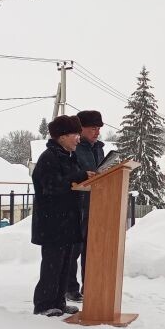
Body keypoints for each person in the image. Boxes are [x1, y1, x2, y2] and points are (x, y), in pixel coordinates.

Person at [32, 115, 95, 317]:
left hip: (68, 221)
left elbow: (72, 182)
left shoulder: (68, 156)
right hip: (53, 222)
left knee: (65, 264)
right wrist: (79, 176)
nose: (78, 138)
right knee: (52, 265)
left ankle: (58, 301)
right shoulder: (48, 158)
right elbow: (52, 186)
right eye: (74, 134)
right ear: (61, 137)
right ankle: (43, 304)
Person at [65, 110, 106, 303]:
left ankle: (90, 285)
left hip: (96, 204)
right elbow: (74, 173)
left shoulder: (98, 148)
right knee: (74, 248)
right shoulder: (74, 148)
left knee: (92, 247)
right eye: (93, 129)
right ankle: (70, 288)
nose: (97, 132)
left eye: (98, 129)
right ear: (81, 129)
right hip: (78, 203)